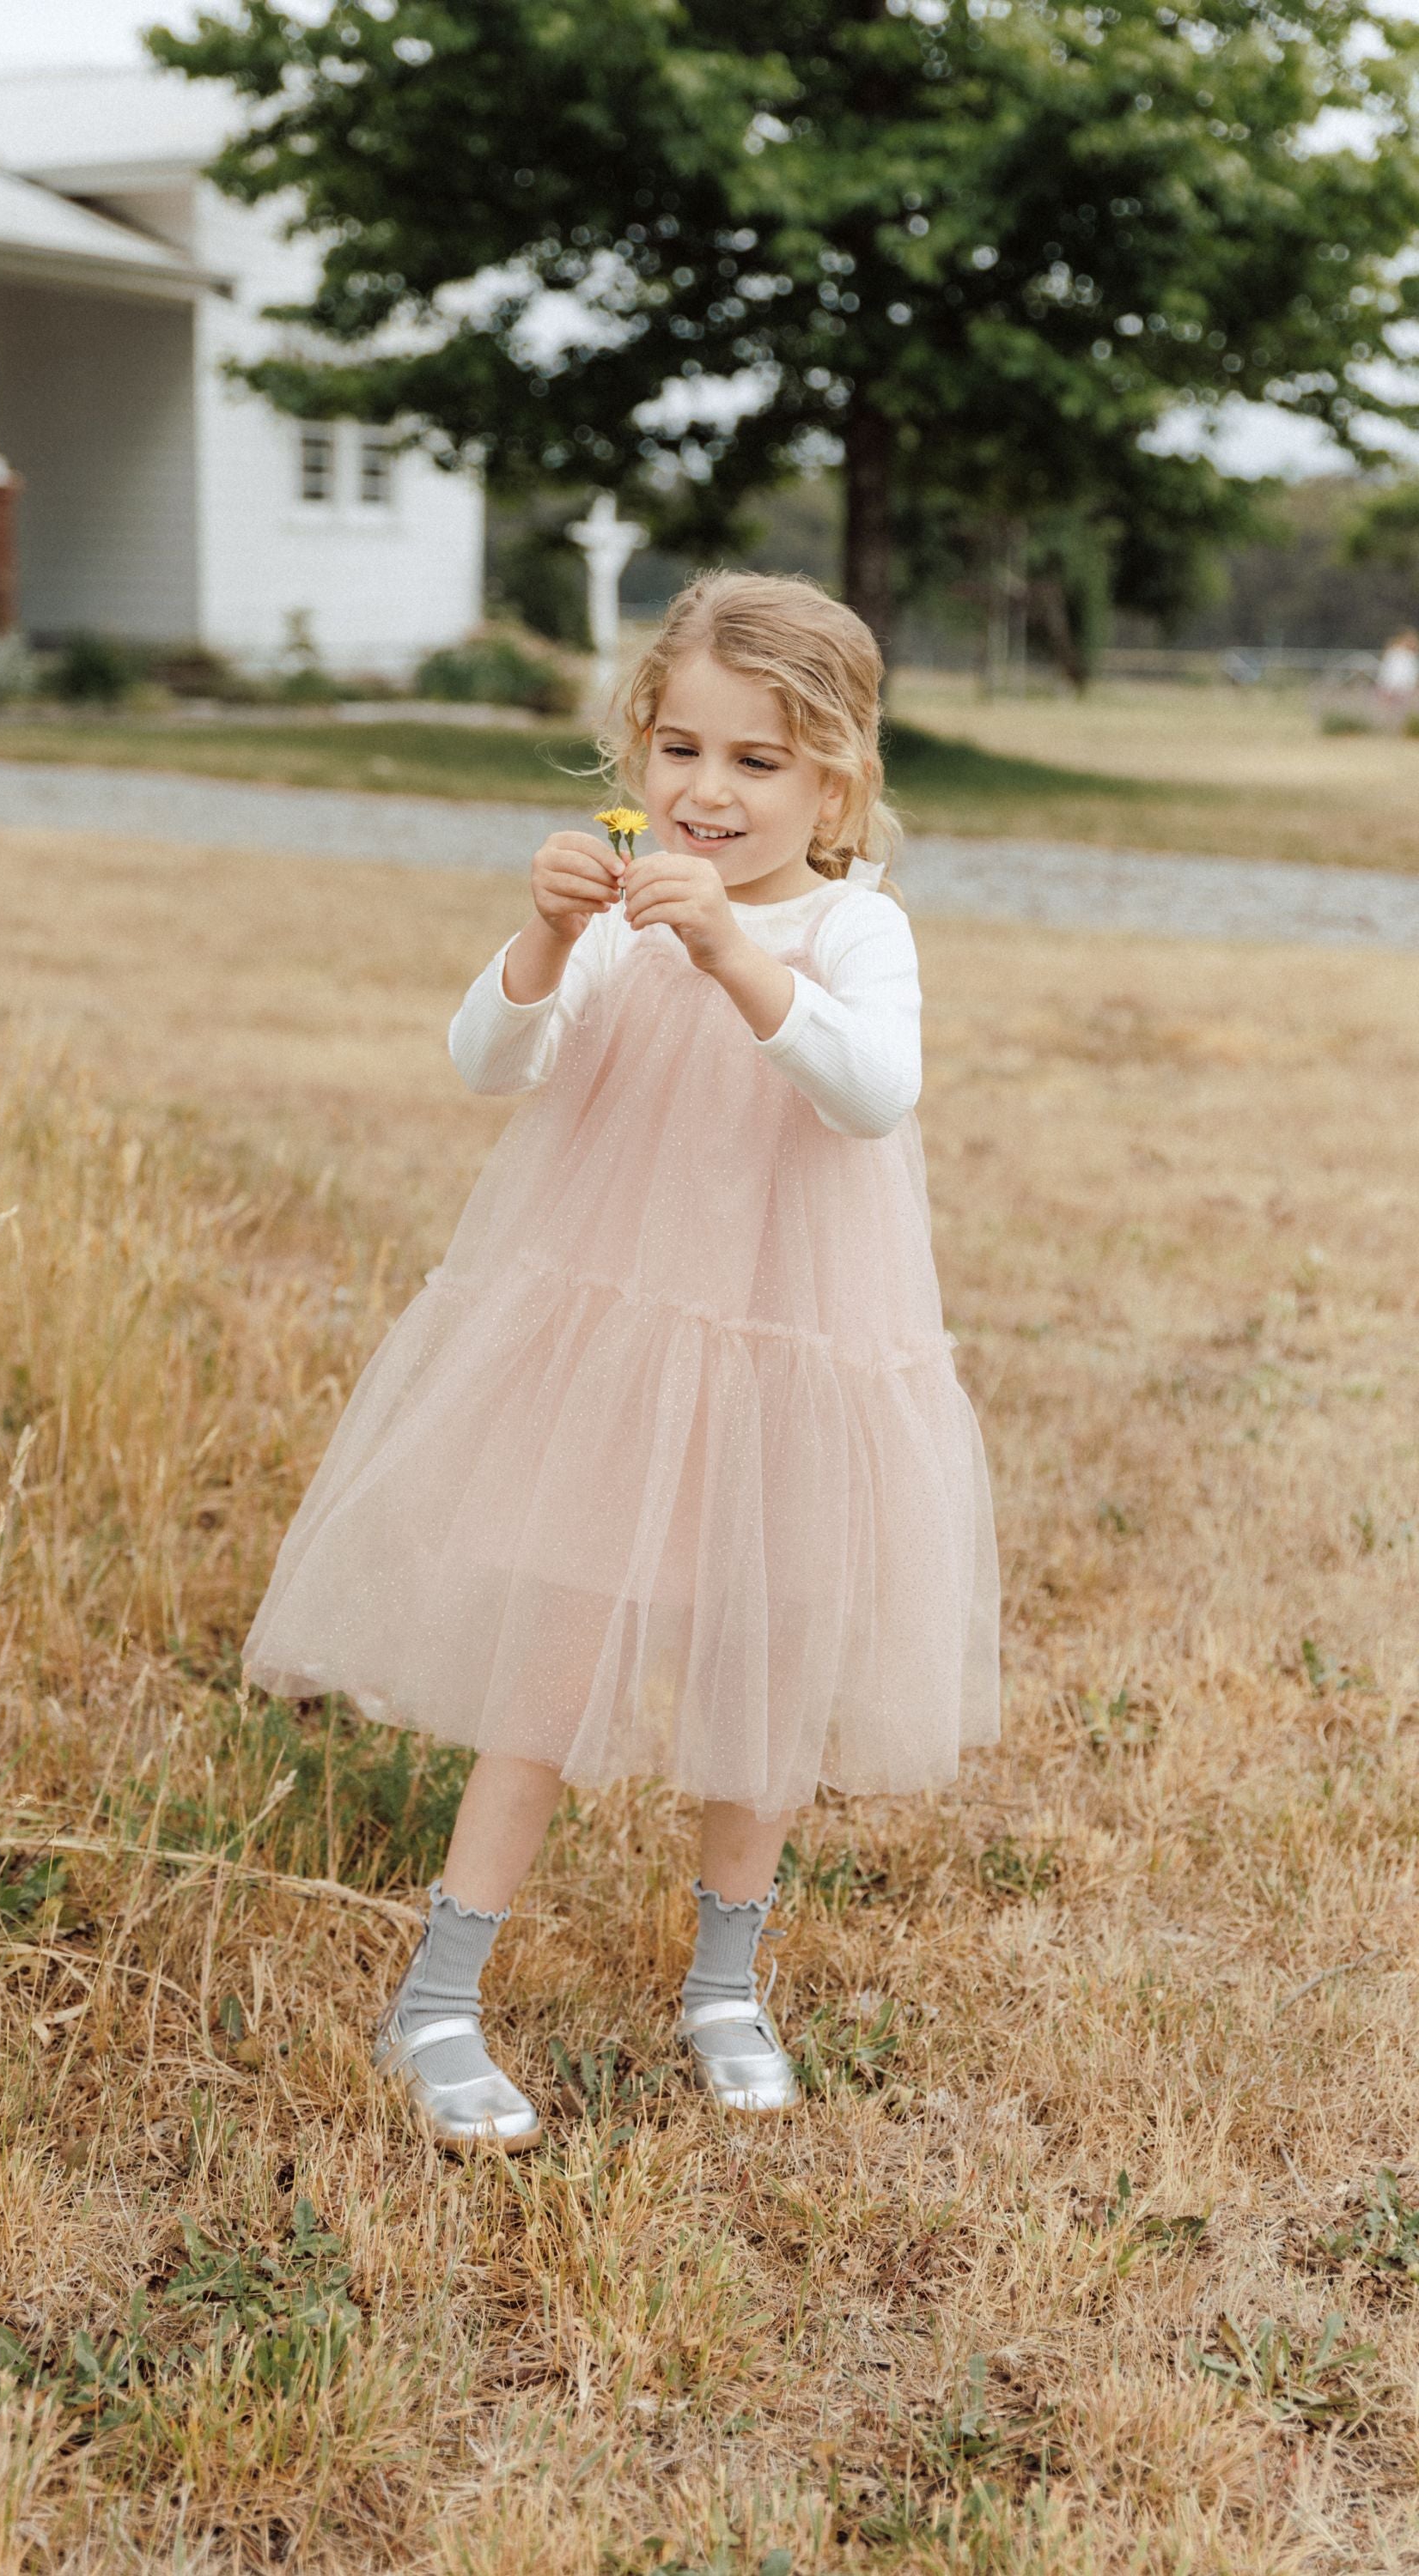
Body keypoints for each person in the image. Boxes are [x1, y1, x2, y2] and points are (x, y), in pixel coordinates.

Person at [244, 570, 1001, 2148]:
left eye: (758, 763)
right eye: (678, 750)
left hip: (795, 1341)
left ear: (837, 780)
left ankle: (727, 1980)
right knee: (558, 1649)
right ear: (636, 751)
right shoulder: (616, 922)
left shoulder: (856, 926)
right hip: (616, 1334)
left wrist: (734, 950)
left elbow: (871, 1091)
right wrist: (540, 936)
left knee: (773, 1648)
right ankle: (441, 1996)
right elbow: (485, 1061)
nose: (706, 793)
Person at [1375, 629, 1419, 702]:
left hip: (1402, 687)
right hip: (1396, 686)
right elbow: (1392, 672)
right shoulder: (1397, 654)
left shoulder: (1410, 655)